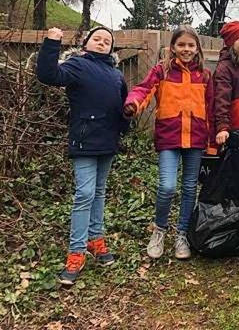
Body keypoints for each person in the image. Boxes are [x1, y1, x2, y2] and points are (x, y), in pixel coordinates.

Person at [37, 26, 128, 286]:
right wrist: (52, 43)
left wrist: (126, 122)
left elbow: (122, 107)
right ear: (86, 42)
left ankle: (95, 239)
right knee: (85, 194)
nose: (101, 43)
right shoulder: (77, 65)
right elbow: (48, 74)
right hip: (85, 140)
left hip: (107, 141)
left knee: (99, 192)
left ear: (112, 48)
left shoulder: (116, 75)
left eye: (107, 41)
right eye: (96, 39)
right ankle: (76, 251)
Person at [123, 25, 214, 261]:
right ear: (173, 47)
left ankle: (182, 233)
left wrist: (212, 140)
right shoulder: (162, 71)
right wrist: (133, 103)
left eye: (190, 45)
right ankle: (160, 229)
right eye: (181, 45)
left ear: (197, 48)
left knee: (189, 188)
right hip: (169, 136)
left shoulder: (204, 75)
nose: (186, 49)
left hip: (195, 138)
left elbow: (211, 109)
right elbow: (143, 89)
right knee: (167, 187)